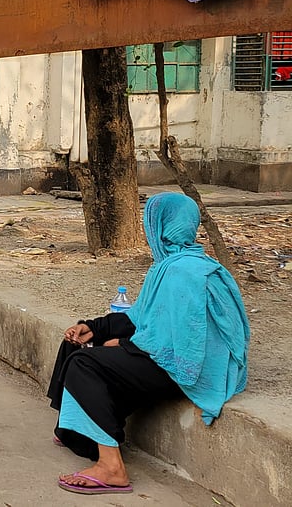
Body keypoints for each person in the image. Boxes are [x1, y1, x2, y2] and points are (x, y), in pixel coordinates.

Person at [47, 192, 249, 495]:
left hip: (180, 367)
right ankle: (74, 429)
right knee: (77, 343)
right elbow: (140, 317)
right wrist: (91, 327)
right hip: (161, 352)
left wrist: (125, 346)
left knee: (84, 363)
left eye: (151, 222)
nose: (147, 229)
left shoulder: (185, 273)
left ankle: (111, 467)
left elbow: (185, 345)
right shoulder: (170, 265)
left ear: (163, 226)